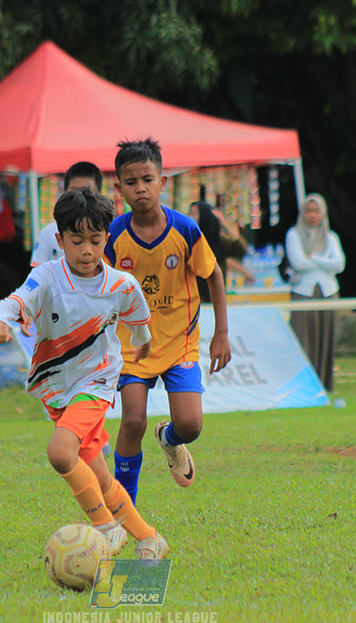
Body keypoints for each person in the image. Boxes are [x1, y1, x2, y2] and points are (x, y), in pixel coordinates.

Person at [0, 187, 168, 559]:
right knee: (98, 475)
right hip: (58, 387)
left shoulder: (121, 284)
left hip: (97, 382)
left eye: (96, 240)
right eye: (76, 241)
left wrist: (143, 345)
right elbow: (15, 301)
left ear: (107, 238)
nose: (87, 250)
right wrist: (0, 321)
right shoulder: (47, 278)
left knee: (60, 452)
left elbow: (140, 324)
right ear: (60, 240)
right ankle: (149, 538)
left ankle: (106, 527)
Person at [105, 138, 232, 504]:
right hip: (133, 346)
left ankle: (169, 438)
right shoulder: (113, 235)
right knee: (132, 421)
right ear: (119, 188)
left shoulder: (185, 229)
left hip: (180, 342)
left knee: (190, 425)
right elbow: (100, 291)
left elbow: (214, 275)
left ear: (162, 182)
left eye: (147, 179)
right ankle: (124, 508)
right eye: (131, 182)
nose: (140, 188)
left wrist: (221, 334)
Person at [283, 193, 346, 391]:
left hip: (328, 292)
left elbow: (339, 265)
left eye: (316, 211)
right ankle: (303, 385)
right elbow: (298, 263)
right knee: (303, 338)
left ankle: (324, 384)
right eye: (308, 211)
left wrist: (314, 258)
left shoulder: (331, 237)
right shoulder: (294, 235)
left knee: (326, 338)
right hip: (303, 292)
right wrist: (325, 262)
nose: (312, 215)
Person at [29, 161, 104, 268]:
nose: (81, 197)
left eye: (87, 192)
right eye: (74, 192)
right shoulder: (49, 233)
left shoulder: (111, 229)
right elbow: (38, 273)